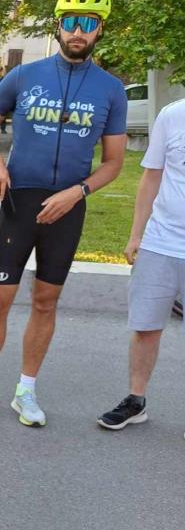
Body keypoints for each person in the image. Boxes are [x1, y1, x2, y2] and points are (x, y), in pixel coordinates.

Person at [0, 0, 127, 427]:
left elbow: (114, 164)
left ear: (100, 29)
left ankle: (26, 391)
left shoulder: (111, 90)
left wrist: (77, 192)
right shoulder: (25, 76)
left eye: (88, 23)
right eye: (71, 21)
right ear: (58, 25)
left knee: (46, 301)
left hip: (68, 205)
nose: (78, 31)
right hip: (18, 201)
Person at [98, 97, 185, 433]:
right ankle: (136, 401)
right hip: (161, 241)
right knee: (146, 326)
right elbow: (151, 177)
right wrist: (136, 235)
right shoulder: (172, 115)